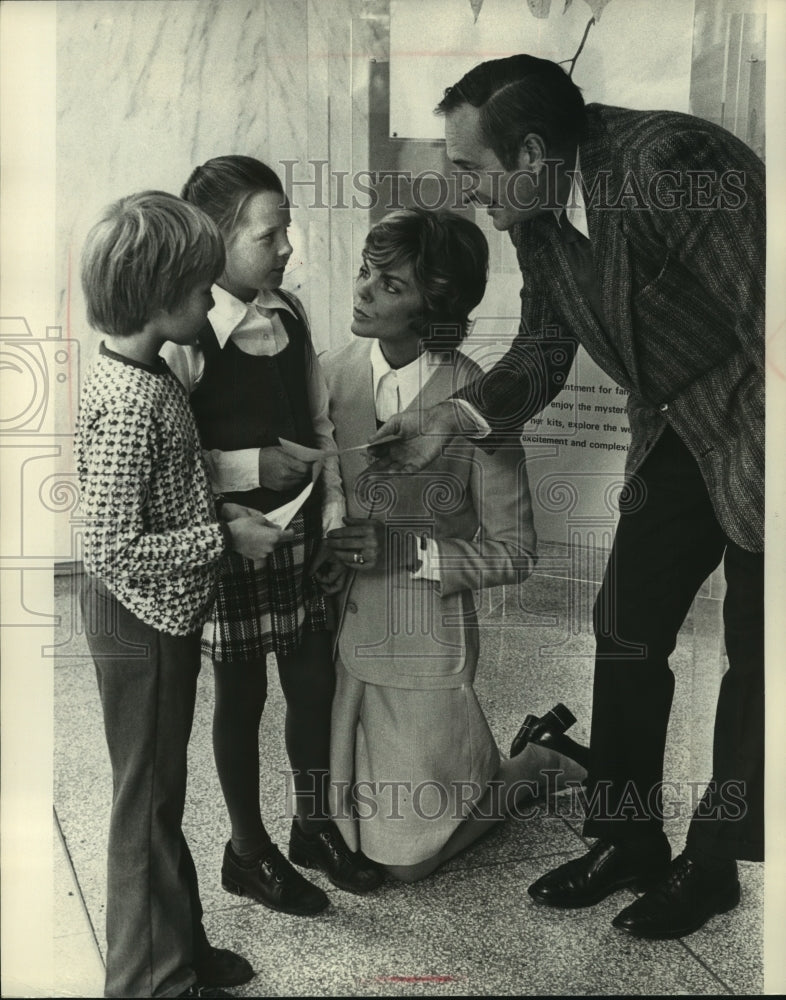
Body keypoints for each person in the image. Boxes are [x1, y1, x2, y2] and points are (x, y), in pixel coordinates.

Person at [368, 54, 764, 937]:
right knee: (626, 624)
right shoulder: (535, 211)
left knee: (757, 655)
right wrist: (452, 418)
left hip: (761, 424)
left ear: (535, 150)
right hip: (678, 429)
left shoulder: (674, 167)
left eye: (471, 169)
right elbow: (547, 348)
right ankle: (628, 837)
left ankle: (713, 863)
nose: (463, 190)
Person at [321, 208, 588, 882]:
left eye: (388, 286)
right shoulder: (330, 374)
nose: (361, 290)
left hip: (426, 642)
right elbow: (322, 488)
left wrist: (417, 557)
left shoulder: (478, 407)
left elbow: (516, 550)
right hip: (341, 641)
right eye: (364, 272)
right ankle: (493, 764)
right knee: (347, 843)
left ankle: (537, 765)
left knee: (407, 863)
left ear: (433, 308)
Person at [76, 191, 292, 997]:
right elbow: (107, 547)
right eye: (202, 287)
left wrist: (217, 505)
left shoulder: (144, 370)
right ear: (160, 294)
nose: (210, 298)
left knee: (160, 798)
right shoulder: (132, 402)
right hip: (142, 621)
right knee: (145, 810)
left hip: (155, 613)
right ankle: (148, 982)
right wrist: (225, 537)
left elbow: (156, 494)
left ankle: (183, 947)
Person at [163, 156, 382, 916]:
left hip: (299, 538)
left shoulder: (286, 310)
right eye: (270, 232)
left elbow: (318, 423)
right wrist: (246, 465)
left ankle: (313, 825)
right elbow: (175, 461)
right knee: (243, 692)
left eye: (287, 226)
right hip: (235, 541)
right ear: (214, 242)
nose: (287, 244)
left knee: (312, 679)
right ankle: (246, 850)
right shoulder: (188, 335)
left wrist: (332, 517)